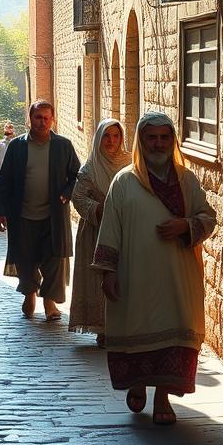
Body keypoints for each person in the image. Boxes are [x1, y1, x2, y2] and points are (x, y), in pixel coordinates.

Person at [94, 112, 217, 426]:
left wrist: (185, 226)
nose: (158, 143)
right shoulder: (124, 182)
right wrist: (108, 272)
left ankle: (162, 396)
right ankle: (137, 383)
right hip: (135, 278)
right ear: (141, 141)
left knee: (173, 333)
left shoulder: (185, 180)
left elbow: (208, 217)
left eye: (165, 137)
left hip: (177, 278)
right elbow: (110, 229)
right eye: (152, 138)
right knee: (137, 330)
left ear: (172, 141)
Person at [0, 100, 79, 322]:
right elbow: (4, 181)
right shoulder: (17, 147)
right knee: (25, 258)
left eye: (46, 118)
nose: (41, 122)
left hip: (53, 216)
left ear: (52, 120)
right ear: (29, 119)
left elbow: (76, 177)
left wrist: (66, 193)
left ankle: (49, 302)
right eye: (37, 117)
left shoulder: (63, 146)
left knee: (53, 260)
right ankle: (29, 293)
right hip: (22, 215)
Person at [69, 119, 131, 344]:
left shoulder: (131, 163)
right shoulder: (89, 168)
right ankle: (103, 328)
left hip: (126, 231)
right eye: (106, 136)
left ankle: (125, 325)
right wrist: (99, 208)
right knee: (100, 280)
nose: (111, 141)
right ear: (98, 139)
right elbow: (78, 197)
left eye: (116, 136)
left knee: (125, 276)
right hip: (96, 233)